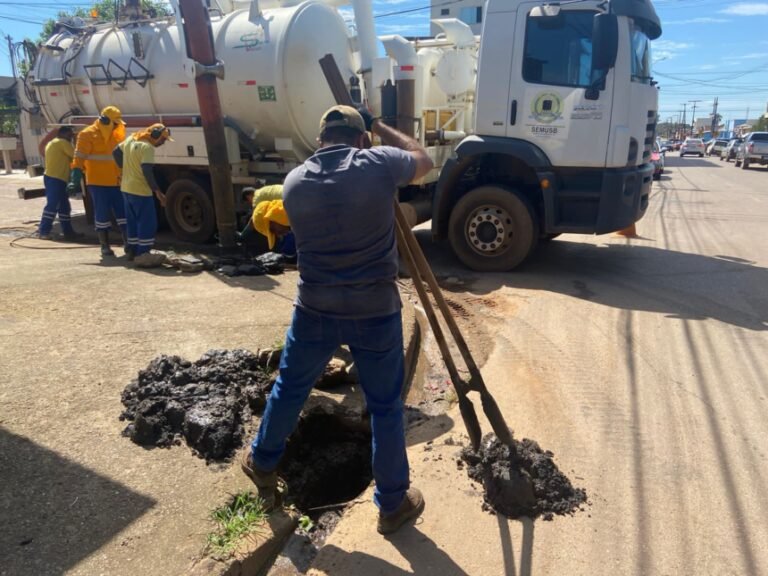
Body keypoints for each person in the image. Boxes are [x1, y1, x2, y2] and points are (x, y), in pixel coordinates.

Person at [241, 105, 433, 535]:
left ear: (320, 140)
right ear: (361, 139)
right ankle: (392, 504)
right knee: (385, 407)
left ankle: (263, 460)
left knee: (291, 387)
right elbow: (423, 160)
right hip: (374, 311)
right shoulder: (377, 163)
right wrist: (381, 125)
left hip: (315, 310)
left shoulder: (295, 181)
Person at [67, 106, 128, 257]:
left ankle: (129, 243)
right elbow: (79, 158)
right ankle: (104, 246)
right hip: (98, 182)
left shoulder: (117, 134)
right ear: (105, 121)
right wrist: (75, 178)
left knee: (123, 214)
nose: (116, 126)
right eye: (114, 123)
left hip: (117, 181)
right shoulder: (87, 134)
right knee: (102, 214)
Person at [112, 123, 172, 268]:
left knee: (132, 221)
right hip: (140, 190)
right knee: (147, 222)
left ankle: (131, 251)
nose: (163, 143)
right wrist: (158, 192)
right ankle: (143, 253)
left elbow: (115, 152)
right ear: (155, 135)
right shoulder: (147, 148)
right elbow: (147, 171)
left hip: (126, 189)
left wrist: (125, 167)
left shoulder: (131, 139)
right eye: (163, 139)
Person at [37, 126, 84, 240]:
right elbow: (76, 156)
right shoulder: (62, 143)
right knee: (53, 205)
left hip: (55, 178)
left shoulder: (53, 143)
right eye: (69, 135)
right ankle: (44, 231)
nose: (70, 138)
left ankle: (68, 232)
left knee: (64, 206)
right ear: (63, 134)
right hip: (56, 179)